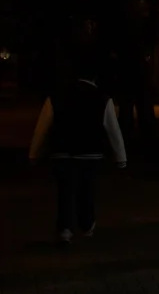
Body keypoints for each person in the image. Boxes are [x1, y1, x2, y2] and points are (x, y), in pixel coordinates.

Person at [28, 61, 129, 244]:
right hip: (90, 153)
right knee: (87, 189)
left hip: (62, 152)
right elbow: (113, 130)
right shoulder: (103, 99)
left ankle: (65, 228)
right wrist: (120, 157)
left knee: (65, 191)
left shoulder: (56, 97)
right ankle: (87, 224)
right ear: (95, 77)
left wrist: (34, 153)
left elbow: (42, 127)